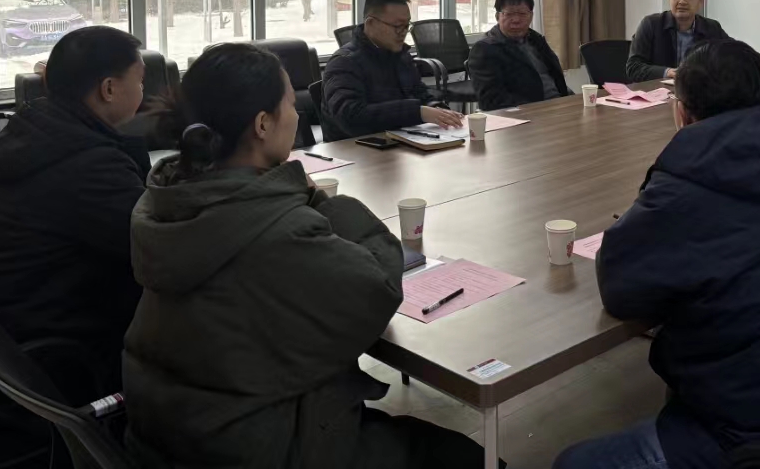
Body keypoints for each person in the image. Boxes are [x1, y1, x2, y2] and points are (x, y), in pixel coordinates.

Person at [124, 43, 487, 468]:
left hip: (171, 431)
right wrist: (317, 198)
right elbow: (378, 288)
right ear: (263, 124)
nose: (297, 114)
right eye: (289, 103)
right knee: (465, 457)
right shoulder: (277, 227)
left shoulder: (168, 201)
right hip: (260, 445)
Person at [556, 40, 760, 469]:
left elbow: (620, 288)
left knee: (572, 463)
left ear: (682, 112)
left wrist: (654, 193)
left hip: (759, 433)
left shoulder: (688, 183)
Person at [0, 26, 147, 391]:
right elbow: (156, 249)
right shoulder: (87, 164)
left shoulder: (38, 133)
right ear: (108, 89)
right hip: (49, 360)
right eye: (139, 81)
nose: (143, 90)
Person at [322, 0, 462, 139]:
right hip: (355, 147)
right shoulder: (344, 62)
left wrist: (436, 107)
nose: (403, 32)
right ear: (371, 23)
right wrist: (418, 112)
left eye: (407, 26)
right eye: (397, 26)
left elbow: (419, 93)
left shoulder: (401, 56)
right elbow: (351, 117)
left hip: (400, 141)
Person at [468, 0, 571, 111]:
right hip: (528, 113)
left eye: (522, 14)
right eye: (509, 14)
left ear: (531, 16)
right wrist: (539, 109)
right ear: (497, 16)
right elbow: (491, 101)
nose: (516, 20)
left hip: (558, 105)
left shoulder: (536, 39)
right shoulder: (485, 49)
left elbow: (556, 80)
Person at [626, 0, 728, 82]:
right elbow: (633, 68)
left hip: (698, 89)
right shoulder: (651, 24)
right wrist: (667, 72)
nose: (682, 2)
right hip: (658, 90)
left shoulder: (711, 27)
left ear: (700, 2)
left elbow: (734, 55)